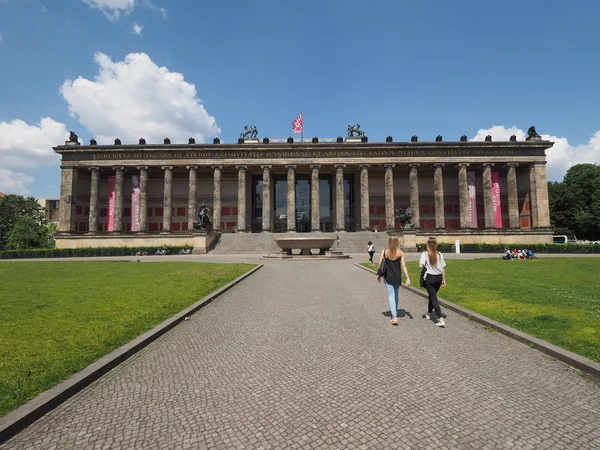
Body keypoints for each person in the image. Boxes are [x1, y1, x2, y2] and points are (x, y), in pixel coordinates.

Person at [376, 236, 411, 325]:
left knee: (391, 295)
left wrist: (378, 274)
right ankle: (394, 312)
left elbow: (380, 263)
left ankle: (394, 317)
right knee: (396, 295)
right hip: (397, 276)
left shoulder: (384, 251)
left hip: (388, 276)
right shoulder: (400, 252)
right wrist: (407, 277)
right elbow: (404, 265)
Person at [419, 237, 447, 327]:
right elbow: (443, 268)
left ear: (428, 245)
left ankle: (440, 319)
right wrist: (444, 279)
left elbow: (420, 265)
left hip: (430, 278)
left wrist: (422, 263)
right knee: (432, 295)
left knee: (433, 298)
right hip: (438, 278)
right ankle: (429, 313)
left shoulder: (425, 254)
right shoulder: (440, 254)